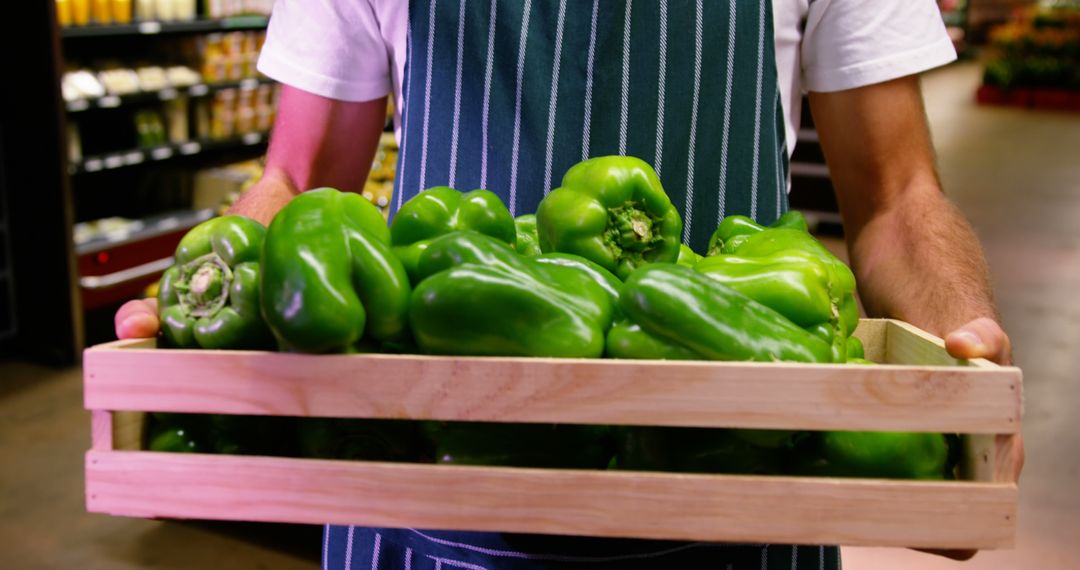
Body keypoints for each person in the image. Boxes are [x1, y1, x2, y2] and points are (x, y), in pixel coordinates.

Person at [116, 0, 1023, 567]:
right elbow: (301, 180)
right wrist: (207, 289)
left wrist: (965, 348)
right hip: (425, 474)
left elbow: (900, 196)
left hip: (736, 483)